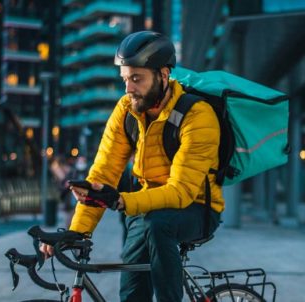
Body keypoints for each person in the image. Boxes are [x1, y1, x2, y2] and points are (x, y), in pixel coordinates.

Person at [40, 31, 224, 302]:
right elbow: (103, 173)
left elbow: (181, 192)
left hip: (197, 209)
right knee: (132, 289)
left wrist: (122, 201)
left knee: (157, 223)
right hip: (147, 209)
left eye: (137, 79)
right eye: (125, 79)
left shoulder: (197, 115)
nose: (128, 88)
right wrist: (77, 232)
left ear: (163, 75)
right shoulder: (126, 110)